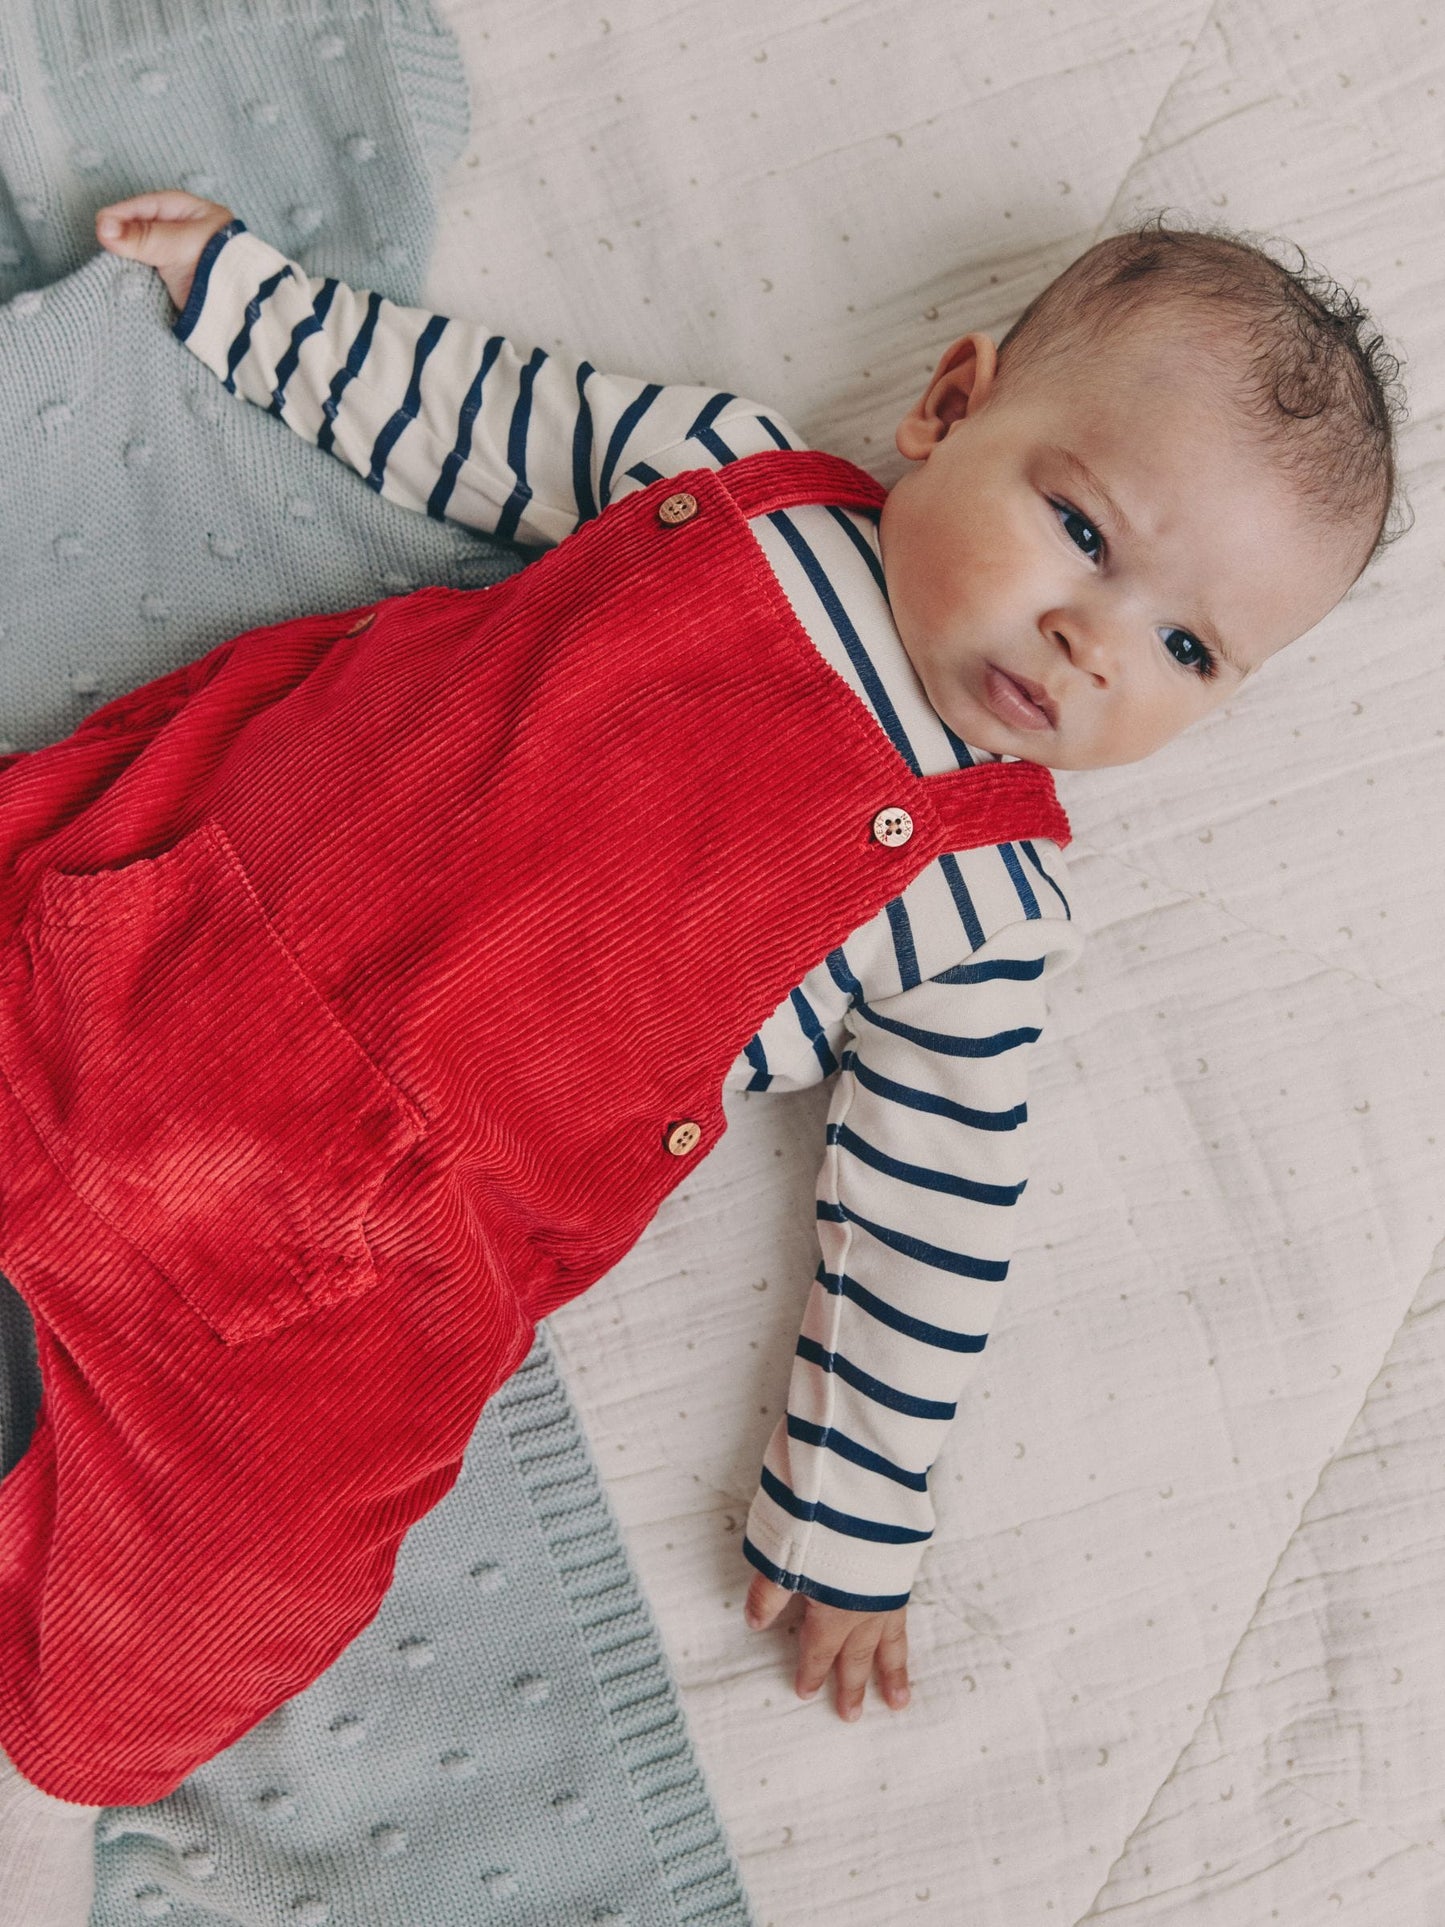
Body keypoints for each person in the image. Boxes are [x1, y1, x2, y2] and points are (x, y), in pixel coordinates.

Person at [0, 188, 1403, 1926]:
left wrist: (850, 1518)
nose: (1093, 640)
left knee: (147, 1682)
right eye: (1081, 530)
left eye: (1186, 650)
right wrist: (244, 296)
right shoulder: (719, 477)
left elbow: (923, 1223)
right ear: (950, 406)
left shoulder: (985, 906)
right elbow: (462, 404)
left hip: (363, 1277)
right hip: (157, 937)